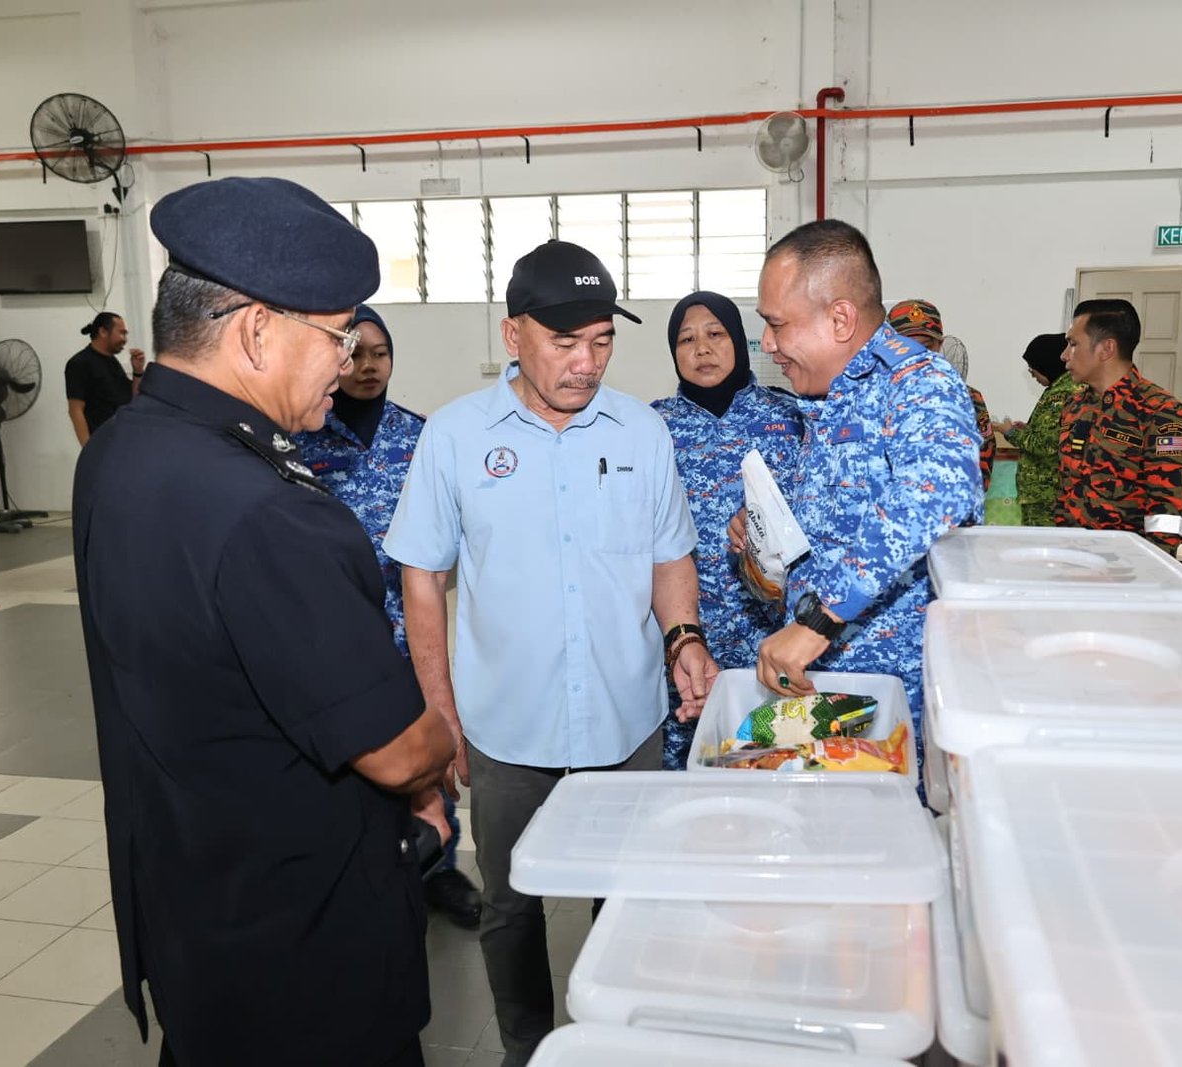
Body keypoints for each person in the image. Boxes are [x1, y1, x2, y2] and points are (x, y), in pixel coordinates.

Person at [72, 176, 455, 1067]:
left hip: (196, 918)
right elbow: (396, 750)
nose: (348, 360)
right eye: (338, 336)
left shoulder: (122, 452)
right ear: (253, 330)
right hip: (307, 958)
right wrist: (439, 761)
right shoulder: (268, 509)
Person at [386, 239, 718, 1067]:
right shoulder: (457, 437)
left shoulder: (641, 430)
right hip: (507, 720)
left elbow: (669, 552)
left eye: (602, 340)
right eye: (565, 342)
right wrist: (440, 709)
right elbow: (421, 576)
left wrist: (683, 637)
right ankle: (525, 1048)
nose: (586, 362)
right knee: (510, 904)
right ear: (513, 335)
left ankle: (620, 1042)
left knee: (628, 896)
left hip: (625, 715)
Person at [736, 220, 982, 779]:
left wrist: (818, 620)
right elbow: (843, 523)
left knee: (887, 852)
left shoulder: (918, 383)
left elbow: (935, 495)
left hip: (898, 696)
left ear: (841, 318)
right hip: (831, 689)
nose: (768, 344)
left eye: (776, 325)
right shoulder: (830, 398)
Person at [293, 304, 481, 930]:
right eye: (357, 353)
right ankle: (370, 864)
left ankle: (440, 866)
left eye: (381, 353)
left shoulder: (421, 435)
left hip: (412, 626)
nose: (368, 366)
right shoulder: (301, 442)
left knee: (427, 746)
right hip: (336, 634)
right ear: (336, 357)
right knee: (360, 754)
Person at [651, 291, 803, 769]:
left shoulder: (789, 419)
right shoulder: (651, 427)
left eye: (716, 334)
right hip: (682, 637)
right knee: (686, 768)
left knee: (772, 758)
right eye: (686, 339)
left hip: (773, 635)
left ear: (739, 340)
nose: (702, 349)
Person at [1056, 298, 1182, 553]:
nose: (1064, 355)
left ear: (1106, 349)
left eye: (1073, 344)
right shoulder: (1075, 406)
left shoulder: (1160, 411)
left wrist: (1154, 570)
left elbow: (1169, 509)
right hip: (1073, 558)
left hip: (1128, 566)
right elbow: (1065, 489)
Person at [887, 298, 995, 491]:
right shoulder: (871, 398)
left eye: (927, 346)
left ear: (940, 345)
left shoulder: (968, 398)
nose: (917, 355)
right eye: (906, 346)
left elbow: (982, 467)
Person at [992, 333, 1079, 526]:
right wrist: (1029, 428)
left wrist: (1009, 432)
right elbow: (1053, 434)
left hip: (1046, 495)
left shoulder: (1061, 394)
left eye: (1034, 370)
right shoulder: (1059, 389)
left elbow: (1045, 445)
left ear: (1047, 363)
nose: (1032, 375)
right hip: (1044, 494)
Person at [66, 311, 147, 445]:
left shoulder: (112, 361)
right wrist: (88, 449)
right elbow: (75, 410)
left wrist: (138, 371)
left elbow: (133, 398)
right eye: (121, 333)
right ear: (103, 331)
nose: (124, 339)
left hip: (125, 439)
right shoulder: (79, 363)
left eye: (125, 334)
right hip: (103, 443)